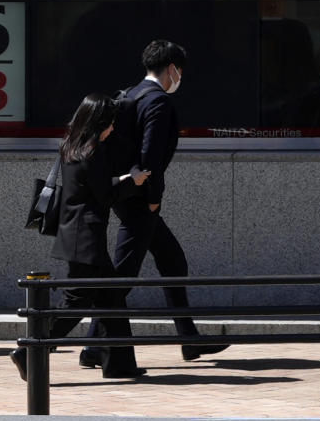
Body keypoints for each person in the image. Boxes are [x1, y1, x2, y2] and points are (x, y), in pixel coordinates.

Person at [82, 39, 229, 368]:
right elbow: (151, 159)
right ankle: (92, 345)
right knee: (122, 276)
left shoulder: (130, 94)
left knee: (172, 260)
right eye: (180, 71)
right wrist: (153, 201)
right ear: (172, 69)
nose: (180, 77)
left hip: (125, 193)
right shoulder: (158, 102)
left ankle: (189, 339)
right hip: (140, 198)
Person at [10, 93, 151, 380]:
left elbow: (90, 187)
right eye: (110, 123)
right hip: (87, 237)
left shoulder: (71, 146)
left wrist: (123, 180)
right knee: (75, 304)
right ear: (99, 121)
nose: (112, 128)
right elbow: (105, 194)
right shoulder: (93, 151)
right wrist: (132, 183)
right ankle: (30, 351)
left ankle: (119, 364)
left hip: (74, 233)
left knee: (111, 300)